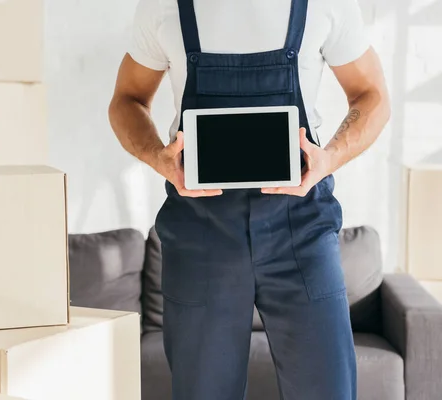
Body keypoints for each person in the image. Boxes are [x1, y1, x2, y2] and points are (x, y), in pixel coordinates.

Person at [108, 0, 390, 399]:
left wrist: (330, 158)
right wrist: (158, 157)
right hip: (200, 231)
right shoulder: (163, 5)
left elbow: (372, 94)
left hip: (302, 227)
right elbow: (126, 99)